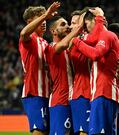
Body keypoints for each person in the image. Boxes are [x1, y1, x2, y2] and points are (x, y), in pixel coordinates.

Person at [71, 10, 119, 135]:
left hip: (104, 92)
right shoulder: (102, 37)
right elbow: (91, 39)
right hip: (102, 93)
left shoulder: (107, 35)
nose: (86, 29)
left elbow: (95, 54)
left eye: (87, 24)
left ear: (93, 21)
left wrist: (76, 41)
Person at [19, 2, 60, 135]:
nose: (44, 21)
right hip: (34, 93)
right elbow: (24, 33)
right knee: (39, 131)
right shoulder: (30, 40)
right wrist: (46, 15)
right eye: (40, 18)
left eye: (45, 18)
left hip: (48, 94)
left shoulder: (45, 43)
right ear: (30, 22)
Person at [45, 14, 83, 134]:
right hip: (59, 101)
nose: (67, 27)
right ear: (53, 31)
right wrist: (78, 29)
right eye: (63, 25)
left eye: (67, 24)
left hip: (73, 100)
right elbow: (63, 45)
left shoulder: (69, 50)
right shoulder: (50, 48)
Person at [69, 7, 105, 135]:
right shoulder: (74, 42)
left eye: (76, 23)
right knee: (83, 132)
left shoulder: (88, 38)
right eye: (71, 23)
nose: (71, 26)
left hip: (97, 92)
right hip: (82, 92)